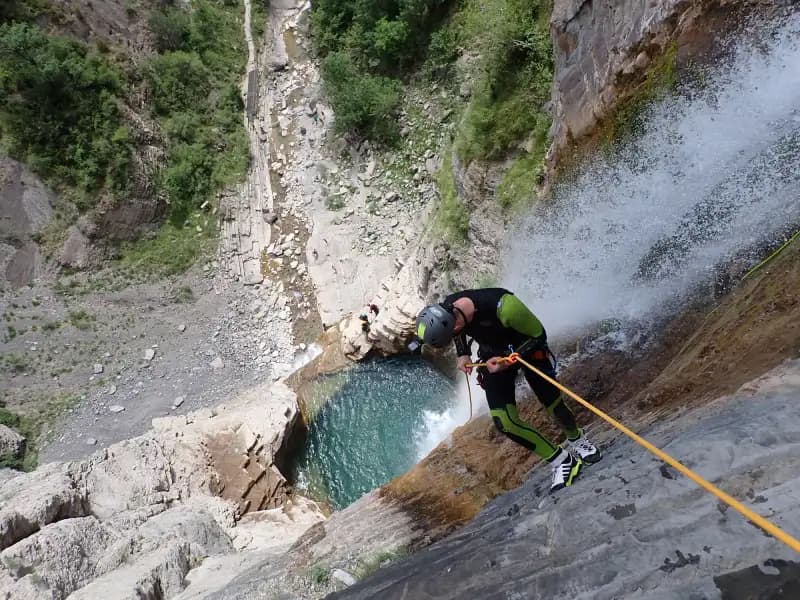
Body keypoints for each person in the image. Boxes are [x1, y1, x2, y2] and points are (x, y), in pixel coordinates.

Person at [415, 288, 602, 492]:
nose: (456, 335)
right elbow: (458, 334)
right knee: (504, 421)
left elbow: (538, 335)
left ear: (455, 323)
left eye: (454, 332)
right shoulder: (450, 308)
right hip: (493, 356)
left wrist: (508, 361)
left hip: (529, 352)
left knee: (553, 405)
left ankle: (577, 439)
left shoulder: (505, 307)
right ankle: (563, 461)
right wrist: (463, 354)